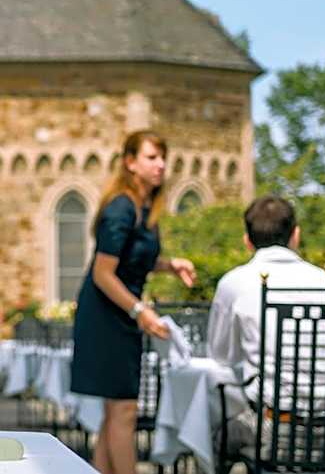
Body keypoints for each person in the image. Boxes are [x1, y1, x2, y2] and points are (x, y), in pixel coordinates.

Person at [71, 130, 196, 474]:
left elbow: (132, 260)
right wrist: (140, 310)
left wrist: (170, 265)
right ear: (130, 162)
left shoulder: (144, 207)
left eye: (163, 157)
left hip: (121, 313)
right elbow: (103, 273)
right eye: (152, 157)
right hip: (106, 316)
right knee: (124, 410)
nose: (161, 165)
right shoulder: (121, 208)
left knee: (116, 411)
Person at [207, 196, 325, 451]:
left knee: (212, 438)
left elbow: (220, 357)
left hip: (271, 426)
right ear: (296, 235)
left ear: (247, 241)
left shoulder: (235, 283)